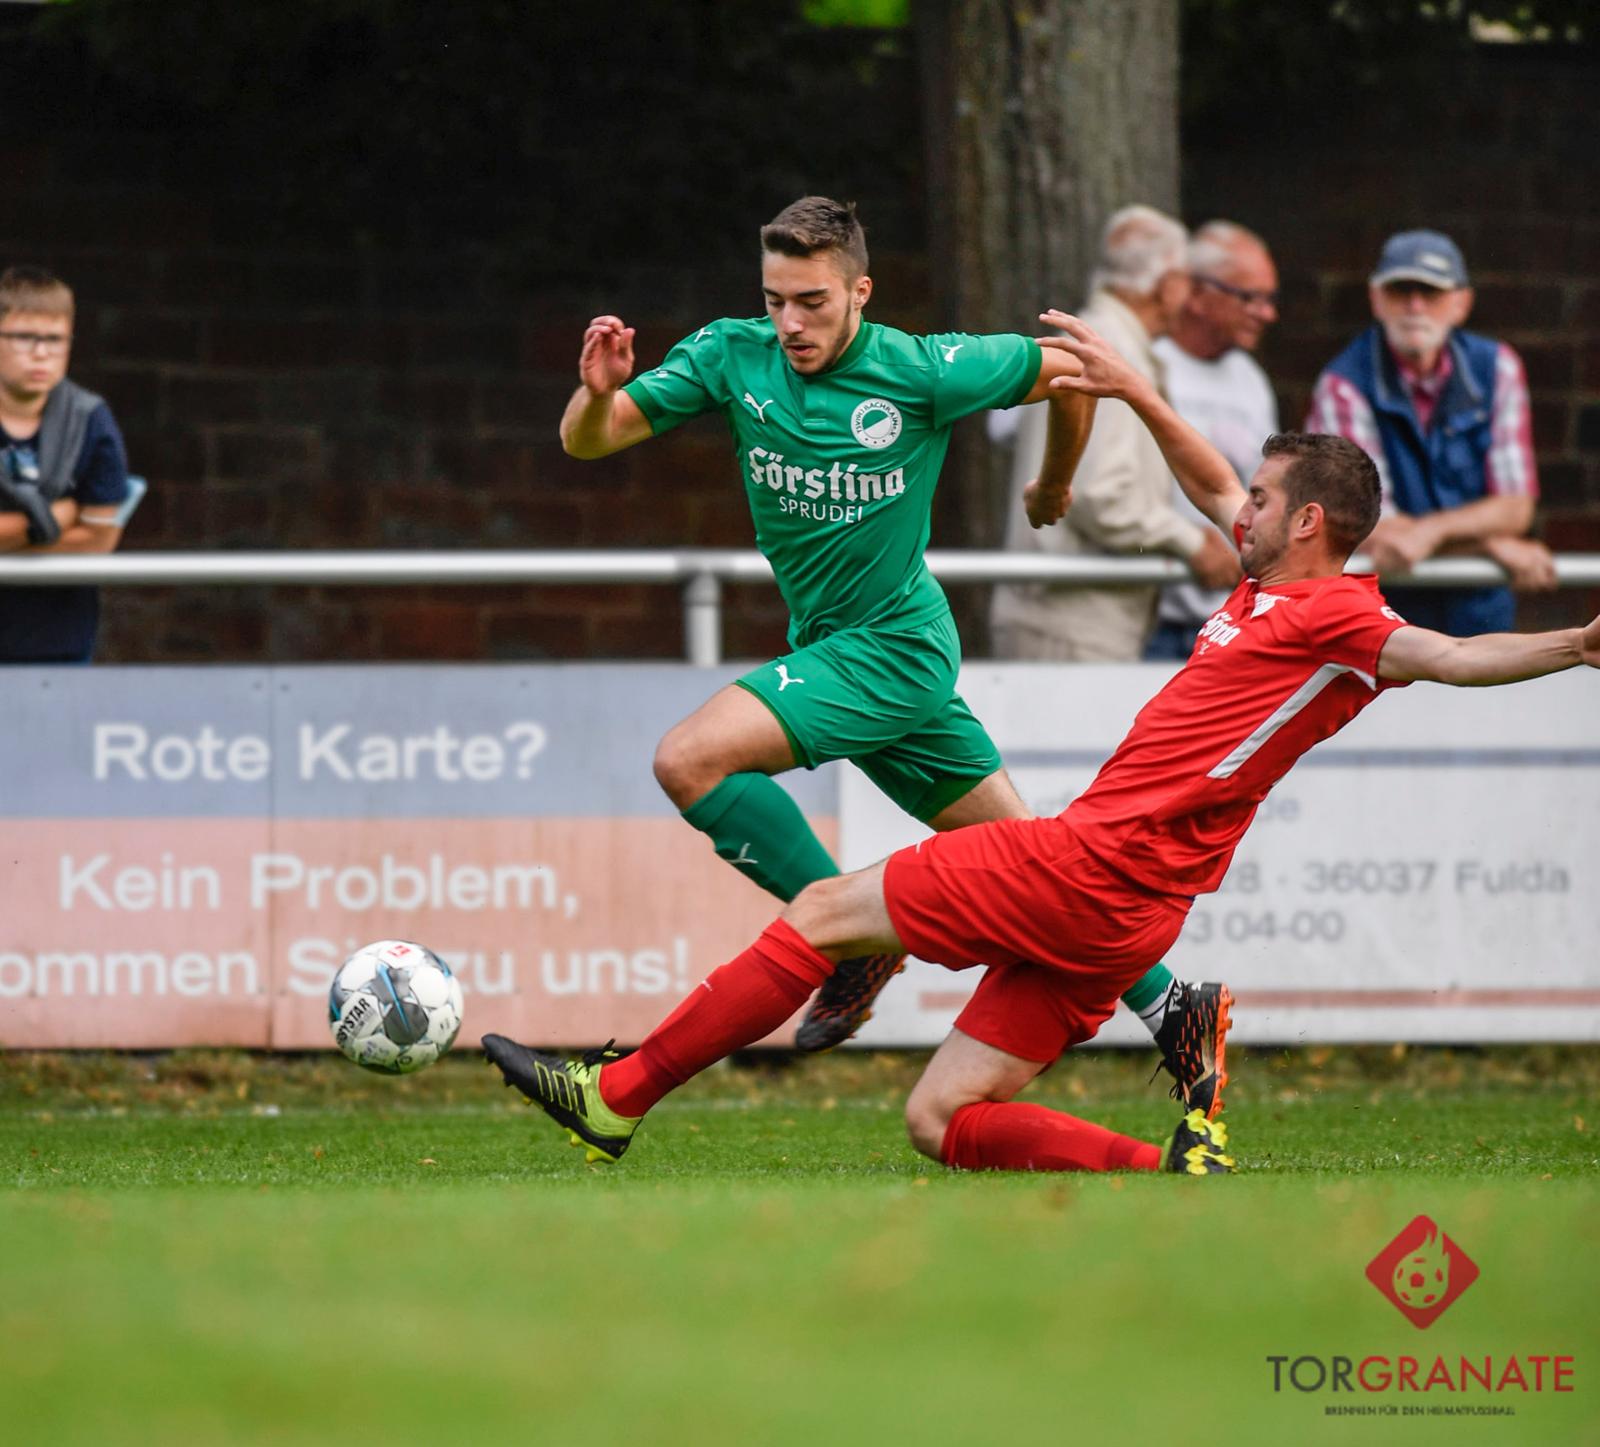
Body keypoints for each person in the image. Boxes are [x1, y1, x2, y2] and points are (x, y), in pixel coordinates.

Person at [489, 310, 1598, 1178]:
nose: (1240, 511)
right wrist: (1135, 391)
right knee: (940, 1118)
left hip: (1091, 866)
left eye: (1263, 501)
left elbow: (1454, 657)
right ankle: (1172, 1169)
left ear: (1308, 522)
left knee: (823, 911)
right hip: (1129, 913)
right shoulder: (1271, 581)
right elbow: (1209, 479)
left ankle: (616, 1097)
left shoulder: (1343, 619)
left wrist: (1577, 644)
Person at [559, 196, 1225, 1096]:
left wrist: (1052, 483)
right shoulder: (731, 354)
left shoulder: (921, 368)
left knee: (689, 759)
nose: (791, 324)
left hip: (893, 647)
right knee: (1036, 867)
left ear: (860, 292)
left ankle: (852, 945)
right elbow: (589, 441)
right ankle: (1175, 1007)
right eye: (775, 300)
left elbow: (1074, 372)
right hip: (843, 644)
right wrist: (600, 393)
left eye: (813, 302)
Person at [990, 205, 1239, 662]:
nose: (1189, 296)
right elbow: (1099, 494)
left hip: (1070, 618)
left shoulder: (1104, 342)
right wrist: (1191, 542)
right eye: (1187, 280)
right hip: (1070, 623)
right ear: (1167, 285)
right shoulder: (1109, 353)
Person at [1306, 229, 1556, 636]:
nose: (1415, 306)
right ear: (1376, 299)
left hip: (1480, 619)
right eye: (1399, 290)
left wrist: (1430, 532)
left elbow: (1515, 508)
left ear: (1461, 303)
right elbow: (1370, 529)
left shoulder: (1497, 367)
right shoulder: (1343, 383)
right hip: (1386, 624)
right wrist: (1487, 543)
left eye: (1431, 291)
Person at [1145, 221, 1278, 661]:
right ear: (1197, 294)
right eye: (1250, 297)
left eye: (1269, 299)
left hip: (1231, 618)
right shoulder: (1148, 363)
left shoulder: (1250, 379)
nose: (1267, 313)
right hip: (1153, 618)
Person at [0, 265, 137, 663]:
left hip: (57, 643)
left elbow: (98, 542)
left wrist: (11, 536)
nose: (42, 352)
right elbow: (83, 531)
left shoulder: (90, 419)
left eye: (55, 339)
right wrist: (54, 519)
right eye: (24, 337)